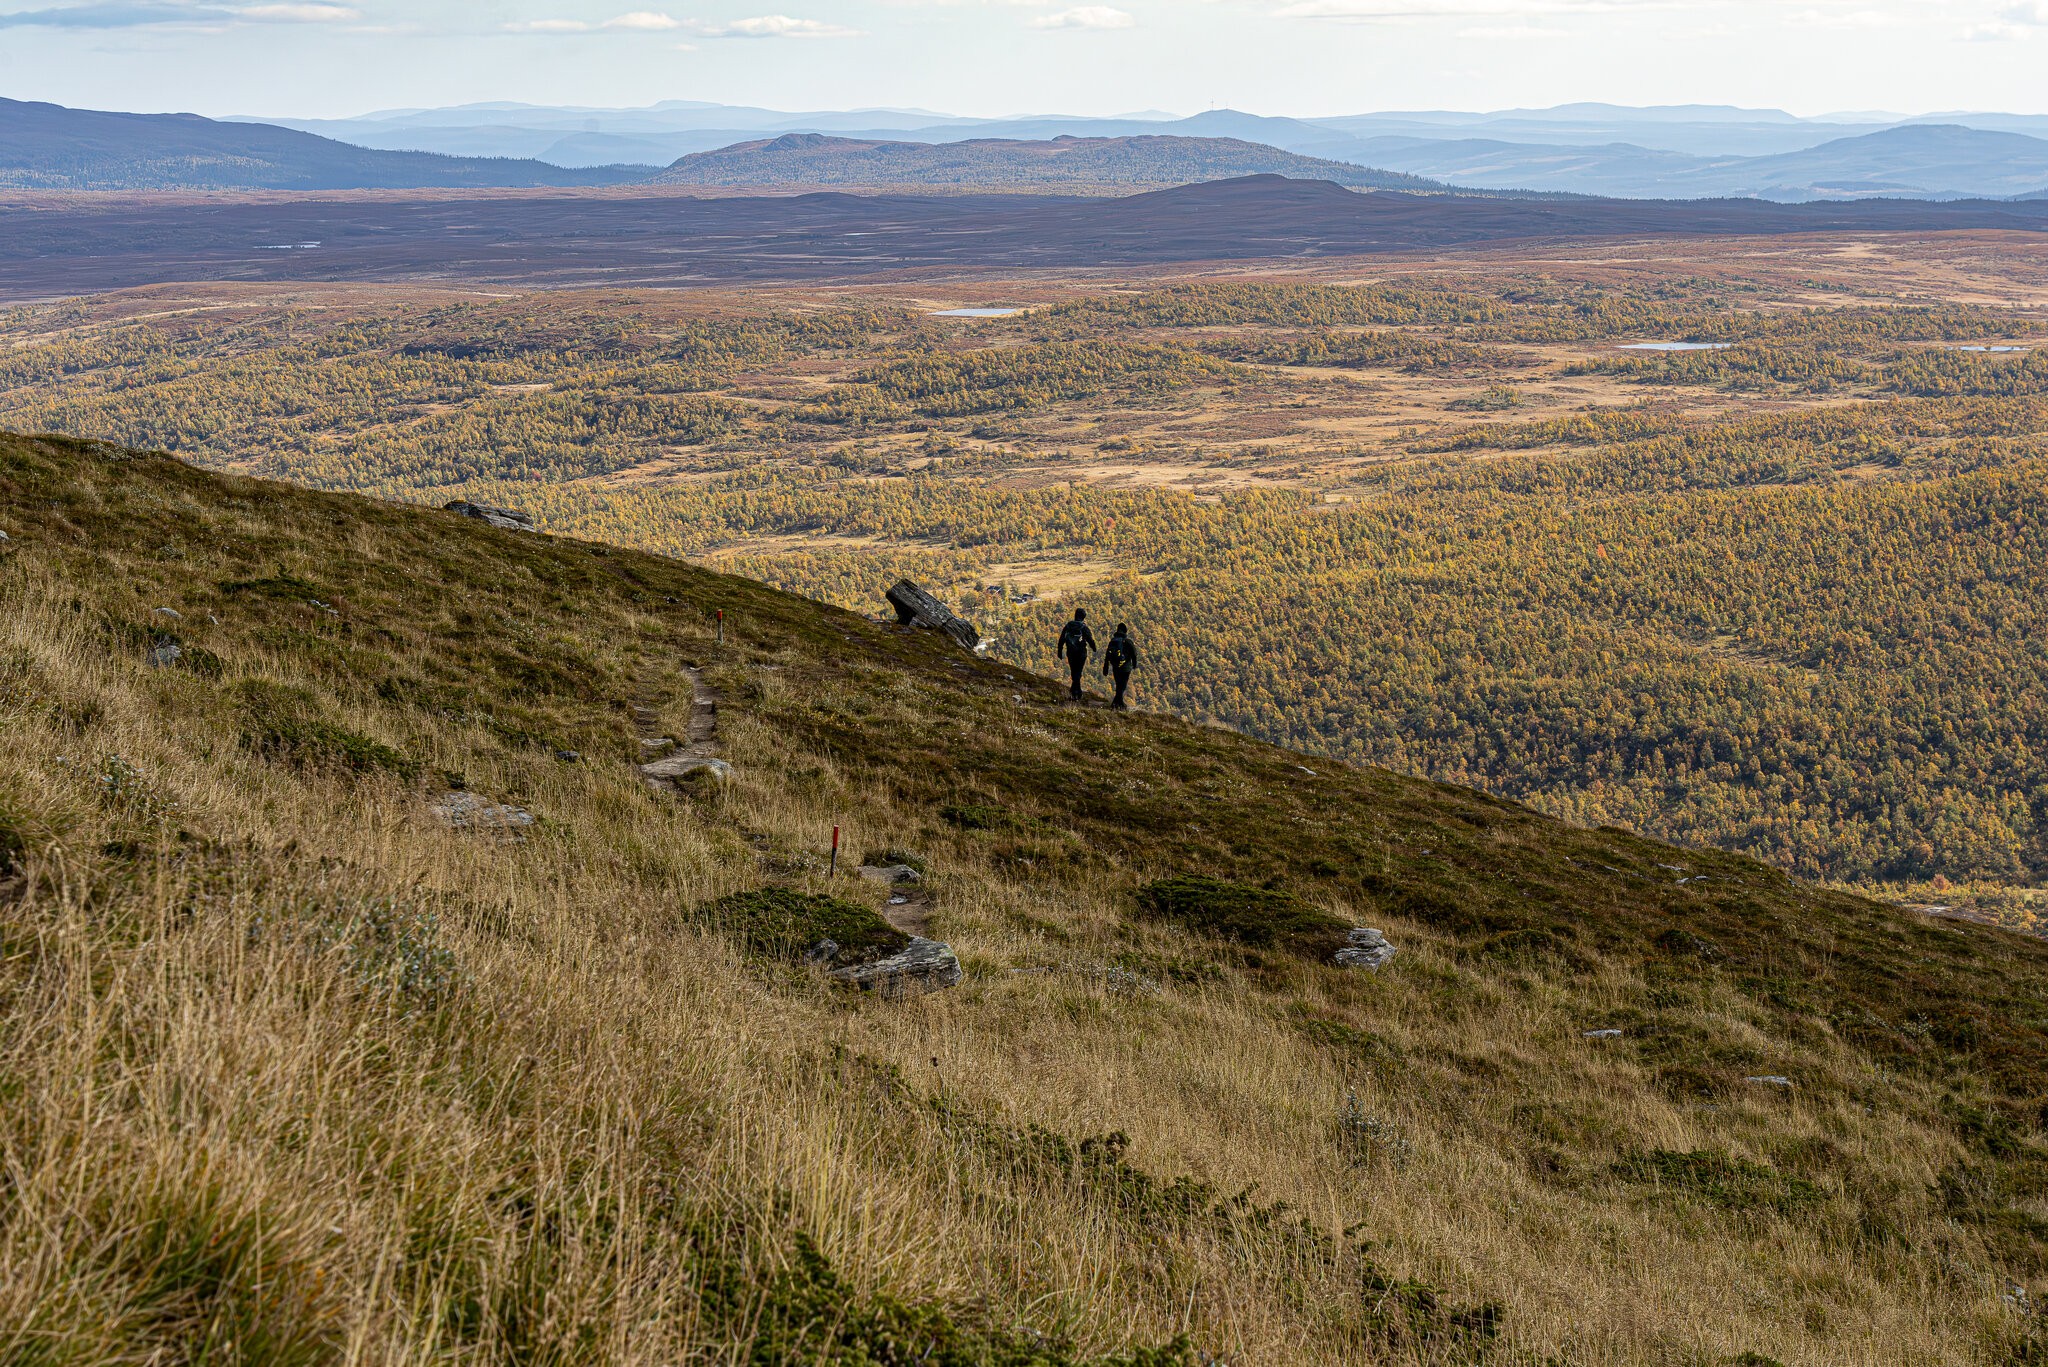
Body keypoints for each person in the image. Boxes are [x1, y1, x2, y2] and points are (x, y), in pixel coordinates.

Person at [1056, 608, 1096, 702]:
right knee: (1078, 672)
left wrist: (1059, 650)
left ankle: (1075, 691)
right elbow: (1090, 639)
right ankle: (1076, 693)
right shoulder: (1084, 627)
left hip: (1070, 652)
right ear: (1083, 617)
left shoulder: (1068, 626)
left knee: (1074, 671)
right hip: (1081, 653)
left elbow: (1062, 639)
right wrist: (1094, 648)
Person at [1103, 622, 1137, 709]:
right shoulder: (1128, 642)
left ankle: (1118, 704)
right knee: (1122, 686)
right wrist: (1134, 664)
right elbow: (1134, 654)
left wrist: (1106, 667)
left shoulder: (1113, 642)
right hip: (1126, 668)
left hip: (1116, 666)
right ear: (1125, 632)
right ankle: (1117, 704)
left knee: (1119, 685)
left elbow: (1108, 654)